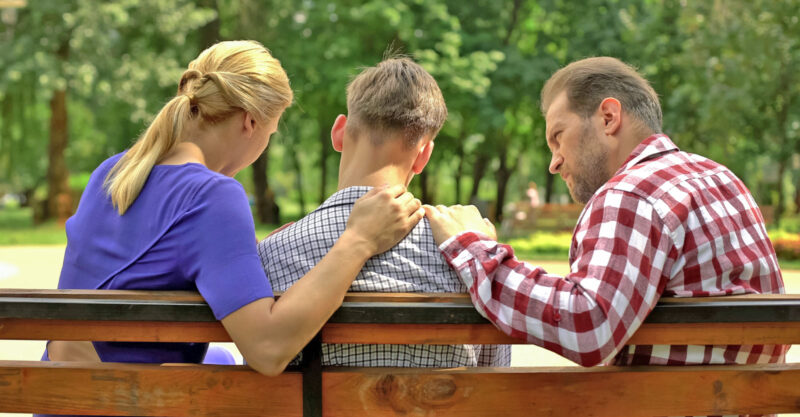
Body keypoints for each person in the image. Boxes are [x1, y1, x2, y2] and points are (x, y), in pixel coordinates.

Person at [45, 41, 424, 377]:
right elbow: (268, 350)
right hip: (130, 402)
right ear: (250, 122)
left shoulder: (112, 172)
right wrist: (358, 240)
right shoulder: (212, 195)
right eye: (270, 134)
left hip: (64, 396)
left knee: (221, 361)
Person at [424, 56, 786, 367]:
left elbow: (588, 325)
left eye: (558, 136)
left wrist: (472, 247)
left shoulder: (633, 193)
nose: (554, 162)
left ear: (609, 117)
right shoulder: (720, 178)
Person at [258, 57, 509, 367]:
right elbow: (493, 372)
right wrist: (484, 250)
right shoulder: (470, 260)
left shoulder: (272, 253)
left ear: (339, 132)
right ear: (423, 156)